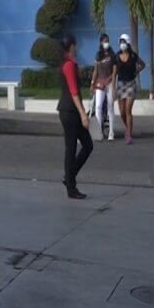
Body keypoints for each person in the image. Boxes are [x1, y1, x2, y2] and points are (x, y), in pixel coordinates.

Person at [58, 33, 93, 200]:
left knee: (87, 145)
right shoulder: (68, 65)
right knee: (71, 149)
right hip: (69, 111)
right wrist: (83, 114)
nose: (77, 47)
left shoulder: (70, 63)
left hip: (71, 111)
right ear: (72, 46)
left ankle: (69, 176)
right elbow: (73, 91)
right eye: (76, 45)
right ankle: (71, 187)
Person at [114, 33, 145, 145]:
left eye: (123, 42)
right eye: (120, 42)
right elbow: (114, 72)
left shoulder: (133, 56)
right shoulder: (117, 56)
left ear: (127, 43)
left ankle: (128, 134)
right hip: (120, 85)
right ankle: (128, 128)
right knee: (122, 112)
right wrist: (113, 88)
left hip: (131, 84)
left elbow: (142, 64)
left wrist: (136, 71)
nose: (122, 44)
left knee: (128, 110)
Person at [89, 34, 117, 142]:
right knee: (98, 106)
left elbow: (114, 72)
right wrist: (92, 84)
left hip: (109, 82)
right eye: (105, 41)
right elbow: (95, 71)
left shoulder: (112, 55)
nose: (107, 43)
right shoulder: (98, 55)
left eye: (108, 41)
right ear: (101, 42)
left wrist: (113, 86)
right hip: (100, 83)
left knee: (110, 106)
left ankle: (111, 132)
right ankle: (99, 131)